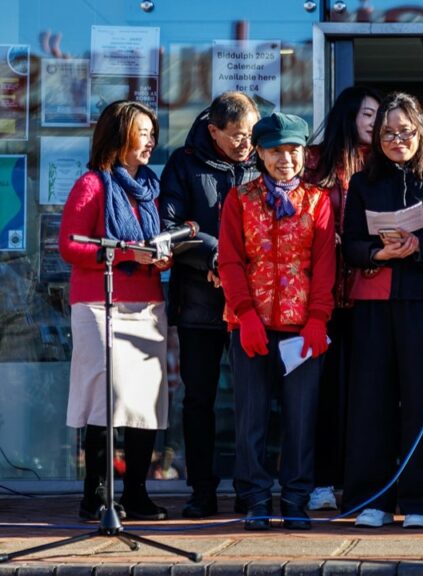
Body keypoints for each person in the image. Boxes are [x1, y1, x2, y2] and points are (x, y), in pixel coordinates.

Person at [341, 92, 423, 529]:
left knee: (420, 398)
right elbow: (351, 243)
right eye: (388, 133)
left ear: (422, 132)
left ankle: (419, 499)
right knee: (371, 400)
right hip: (375, 300)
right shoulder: (363, 181)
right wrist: (378, 254)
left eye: (406, 131)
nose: (397, 139)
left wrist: (418, 247)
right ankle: (371, 499)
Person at [218, 112, 336, 531]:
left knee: (301, 418)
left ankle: (296, 498)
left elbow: (324, 264)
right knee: (251, 417)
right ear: (260, 154)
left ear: (304, 153)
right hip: (250, 325)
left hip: (302, 326)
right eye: (275, 151)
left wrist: (319, 319)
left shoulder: (318, 201)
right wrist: (245, 315)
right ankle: (254, 499)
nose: (285, 158)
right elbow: (231, 260)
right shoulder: (239, 199)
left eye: (293, 150)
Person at [59, 100, 171, 521]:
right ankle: (97, 495)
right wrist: (126, 253)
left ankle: (137, 493)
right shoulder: (92, 184)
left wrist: (162, 257)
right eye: (143, 132)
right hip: (99, 304)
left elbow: (155, 242)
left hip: (147, 303)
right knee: (106, 398)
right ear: (118, 135)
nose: (151, 141)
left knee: (143, 402)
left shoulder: (151, 187)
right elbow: (70, 244)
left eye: (152, 133)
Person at [159, 91, 260, 518]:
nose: (245, 143)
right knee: (199, 400)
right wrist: (215, 255)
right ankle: (201, 490)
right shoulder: (184, 164)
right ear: (213, 130)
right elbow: (167, 227)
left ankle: (250, 487)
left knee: (251, 399)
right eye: (236, 135)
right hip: (200, 302)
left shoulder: (263, 160)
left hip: (253, 302)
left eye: (251, 133)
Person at [304, 86, 381, 512]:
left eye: (379, 115)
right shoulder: (314, 162)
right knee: (322, 394)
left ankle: (360, 482)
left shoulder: (383, 163)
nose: (375, 123)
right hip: (321, 296)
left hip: (369, 292)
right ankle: (320, 481)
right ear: (349, 115)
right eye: (368, 114)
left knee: (364, 392)